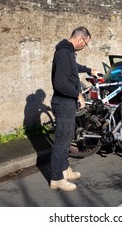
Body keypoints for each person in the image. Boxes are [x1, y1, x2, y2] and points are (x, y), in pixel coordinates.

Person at [50, 26, 99, 191]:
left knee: (67, 138)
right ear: (80, 39)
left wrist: (88, 70)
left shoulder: (68, 52)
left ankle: (64, 170)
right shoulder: (64, 53)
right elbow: (60, 83)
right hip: (63, 103)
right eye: (86, 43)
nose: (85, 46)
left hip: (67, 104)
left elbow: (73, 66)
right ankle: (56, 178)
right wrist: (78, 95)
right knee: (62, 142)